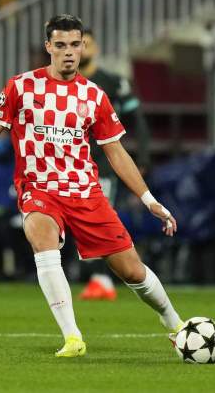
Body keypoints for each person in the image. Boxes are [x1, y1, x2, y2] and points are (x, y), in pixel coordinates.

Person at [0, 14, 183, 358]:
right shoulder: (20, 87)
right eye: (60, 45)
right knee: (41, 236)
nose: (68, 53)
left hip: (85, 192)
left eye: (75, 45)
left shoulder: (95, 97)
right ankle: (73, 337)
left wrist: (148, 198)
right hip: (39, 189)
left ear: (83, 47)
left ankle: (177, 326)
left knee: (132, 270)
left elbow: (116, 153)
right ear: (48, 47)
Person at [78, 28, 149, 301]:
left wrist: (141, 158)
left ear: (95, 48)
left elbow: (137, 121)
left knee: (99, 218)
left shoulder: (113, 82)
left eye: (85, 43)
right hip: (69, 165)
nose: (80, 49)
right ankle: (96, 276)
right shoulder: (60, 85)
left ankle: (103, 279)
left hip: (102, 165)